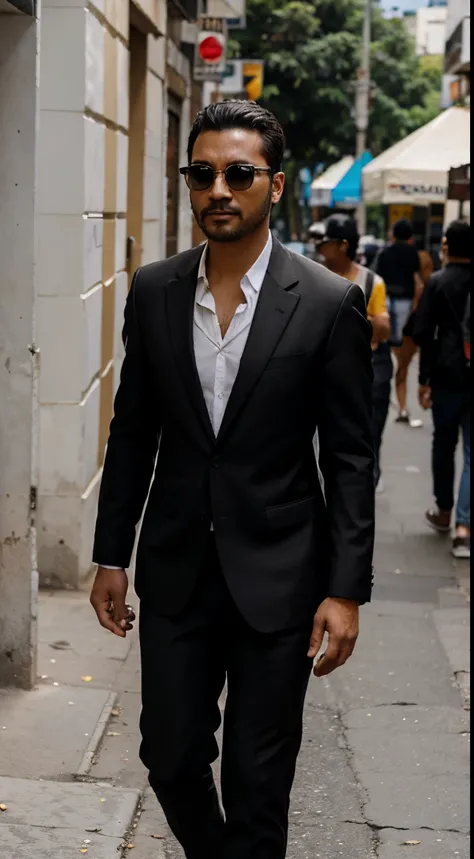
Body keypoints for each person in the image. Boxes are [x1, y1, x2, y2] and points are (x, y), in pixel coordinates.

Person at [89, 101, 375, 859]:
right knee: (170, 755)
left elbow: (350, 457)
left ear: (273, 186)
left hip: (280, 579)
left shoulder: (326, 301)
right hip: (178, 570)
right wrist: (110, 552)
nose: (219, 188)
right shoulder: (153, 291)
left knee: (258, 780)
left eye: (239, 173)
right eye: (203, 173)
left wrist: (346, 589)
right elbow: (132, 431)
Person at [316, 214, 391, 493]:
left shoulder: (372, 281)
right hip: (320, 369)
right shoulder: (310, 276)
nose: (319, 248)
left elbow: (383, 328)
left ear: (343, 245)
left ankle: (367, 477)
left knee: (368, 430)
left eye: (325, 243)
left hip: (366, 367)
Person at [414, 219, 471, 559]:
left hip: (447, 376)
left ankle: (445, 511)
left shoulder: (437, 282)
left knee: (443, 444)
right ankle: (465, 528)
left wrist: (424, 380)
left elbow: (424, 334)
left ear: (449, 245)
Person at [373, 219, 424, 423]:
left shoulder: (385, 252)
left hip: (386, 296)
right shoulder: (413, 253)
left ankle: (386, 343)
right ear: (410, 236)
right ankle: (395, 342)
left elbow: (377, 276)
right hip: (404, 297)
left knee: (389, 332)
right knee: (399, 335)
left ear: (394, 234)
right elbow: (416, 279)